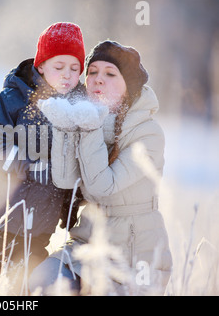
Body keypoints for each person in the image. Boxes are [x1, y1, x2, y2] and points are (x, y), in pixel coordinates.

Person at [29, 40, 173, 295]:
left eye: (110, 74)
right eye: (92, 72)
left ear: (129, 86)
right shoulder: (89, 116)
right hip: (87, 242)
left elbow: (102, 186)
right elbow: (65, 181)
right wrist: (65, 127)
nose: (97, 79)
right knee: (41, 282)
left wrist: (89, 125)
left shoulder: (149, 134)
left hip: (132, 252)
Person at [0, 22, 86, 287]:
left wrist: (72, 205)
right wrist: (18, 163)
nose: (67, 75)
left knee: (23, 285)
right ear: (41, 65)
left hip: (39, 227)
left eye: (75, 68)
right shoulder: (16, 98)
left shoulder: (79, 110)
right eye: (59, 67)